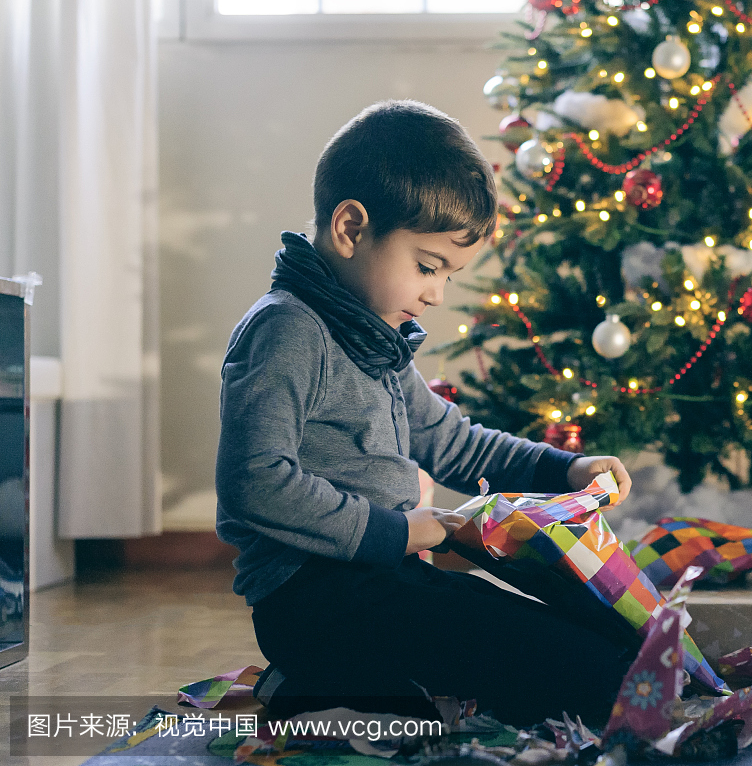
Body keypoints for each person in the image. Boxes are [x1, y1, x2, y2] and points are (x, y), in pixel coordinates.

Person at [214, 100, 637, 727]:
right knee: (586, 685)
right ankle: (311, 686)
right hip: (316, 602)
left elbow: (457, 446)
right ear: (352, 230)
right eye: (427, 267)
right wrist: (405, 530)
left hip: (388, 580)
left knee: (613, 656)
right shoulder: (288, 331)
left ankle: (361, 686)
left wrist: (567, 472)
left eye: (447, 274)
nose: (437, 293)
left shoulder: (371, 337)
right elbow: (255, 482)